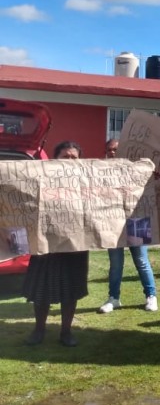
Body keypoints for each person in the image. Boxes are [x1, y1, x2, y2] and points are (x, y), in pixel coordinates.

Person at [22, 141, 89, 347]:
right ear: (55, 159)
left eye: (74, 158)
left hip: (75, 244)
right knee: (41, 288)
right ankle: (38, 330)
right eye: (65, 157)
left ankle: (66, 332)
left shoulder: (87, 181)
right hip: (46, 243)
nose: (70, 161)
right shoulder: (40, 178)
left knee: (71, 289)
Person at [98, 139, 158, 313]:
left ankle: (151, 296)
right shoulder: (100, 171)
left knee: (141, 260)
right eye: (109, 150)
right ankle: (113, 298)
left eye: (116, 149)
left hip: (137, 220)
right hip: (112, 221)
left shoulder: (136, 168)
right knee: (115, 263)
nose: (113, 153)